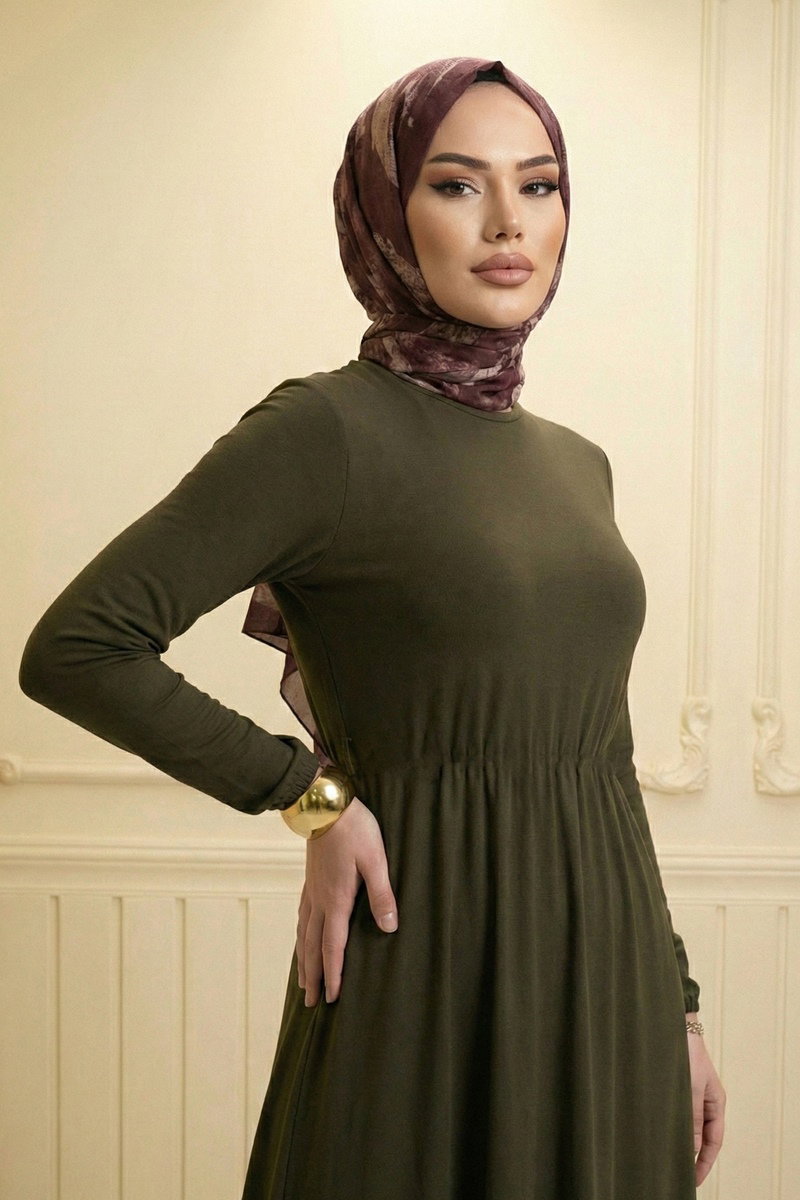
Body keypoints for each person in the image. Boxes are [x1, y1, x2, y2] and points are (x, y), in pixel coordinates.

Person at [18, 56, 726, 1199]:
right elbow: (78, 647)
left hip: (608, 994)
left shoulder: (576, 465)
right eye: (455, 184)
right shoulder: (323, 433)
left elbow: (601, 762)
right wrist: (311, 798)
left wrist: (675, 1005)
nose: (507, 223)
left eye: (538, 185)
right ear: (382, 213)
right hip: (427, 975)